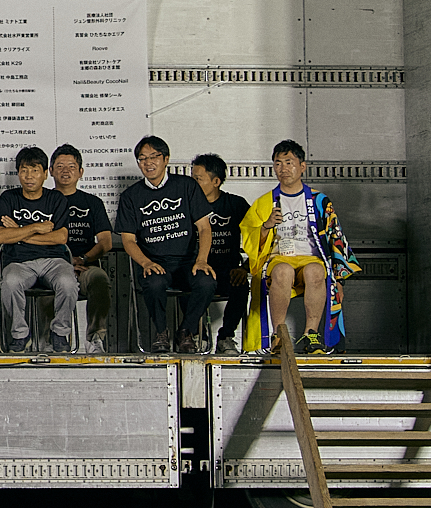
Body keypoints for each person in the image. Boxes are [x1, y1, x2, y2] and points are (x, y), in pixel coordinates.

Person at [240, 140, 360, 355]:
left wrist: (339, 278)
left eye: (289, 162)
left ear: (302, 166)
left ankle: (311, 334)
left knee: (316, 272)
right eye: (278, 163)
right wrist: (266, 226)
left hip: (311, 259)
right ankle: (279, 334)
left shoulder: (319, 200)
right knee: (283, 271)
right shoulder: (264, 202)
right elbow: (249, 237)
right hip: (279, 259)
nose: (283, 169)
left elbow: (336, 237)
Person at [114, 135, 216, 354]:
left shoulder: (187, 186)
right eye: (142, 158)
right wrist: (145, 262)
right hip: (156, 262)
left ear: (166, 159)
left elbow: (205, 227)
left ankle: (186, 331)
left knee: (207, 282)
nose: (148, 163)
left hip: (188, 262)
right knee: (153, 283)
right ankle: (161, 333)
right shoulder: (131, 197)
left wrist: (202, 260)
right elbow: (128, 240)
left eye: (154, 157)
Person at [0, 145, 75, 353]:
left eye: (35, 170)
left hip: (54, 261)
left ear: (46, 174)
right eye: (24, 170)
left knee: (68, 283)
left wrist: (20, 234)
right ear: (18, 172)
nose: (29, 176)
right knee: (9, 283)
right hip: (18, 263)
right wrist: (36, 228)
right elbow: (0, 236)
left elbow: (60, 237)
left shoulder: (56, 199)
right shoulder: (9, 199)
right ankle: (21, 335)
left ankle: (60, 332)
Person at [51, 145, 116, 352]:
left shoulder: (93, 203)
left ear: (81, 172)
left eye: (71, 166)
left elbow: (106, 242)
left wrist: (83, 260)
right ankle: (51, 340)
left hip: (85, 266)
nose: (65, 170)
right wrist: (62, 264)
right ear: (51, 171)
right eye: (59, 166)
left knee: (100, 279)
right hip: (50, 266)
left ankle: (95, 338)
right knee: (45, 287)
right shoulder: (43, 201)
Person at [190, 153, 254, 356]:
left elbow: (260, 240)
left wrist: (245, 268)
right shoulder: (186, 205)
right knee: (186, 281)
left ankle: (226, 337)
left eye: (198, 179)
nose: (193, 183)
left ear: (216, 181)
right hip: (196, 270)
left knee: (241, 283)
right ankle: (194, 335)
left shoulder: (236, 205)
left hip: (227, 270)